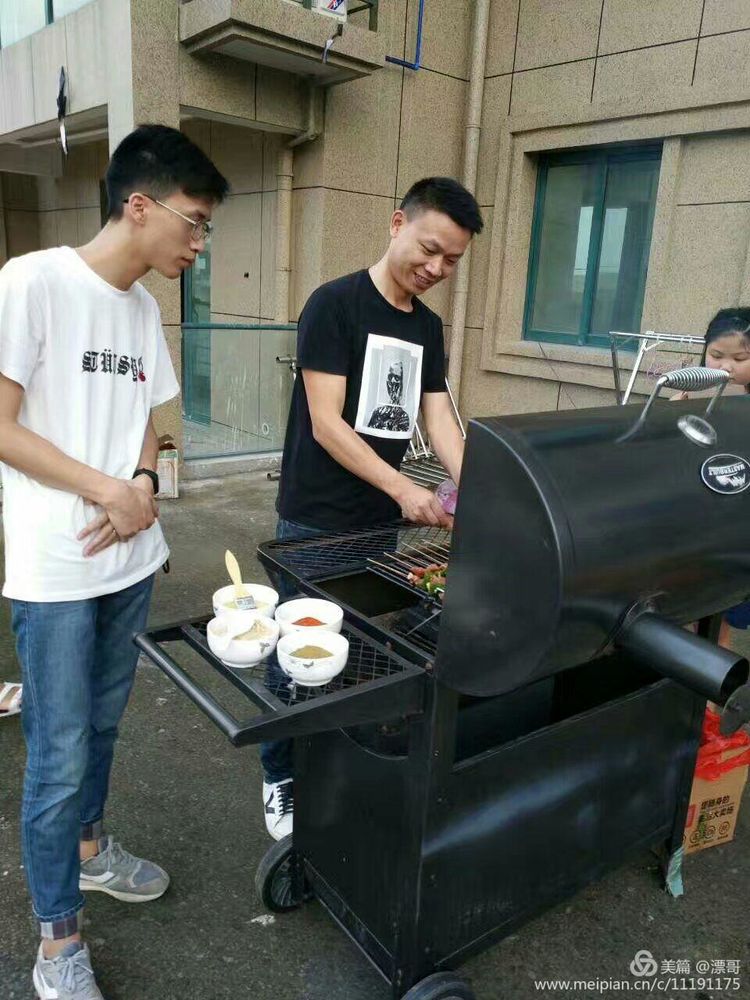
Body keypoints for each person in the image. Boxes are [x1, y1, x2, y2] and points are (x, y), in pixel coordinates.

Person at [0, 124, 228, 1000]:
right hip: (57, 571)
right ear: (140, 205)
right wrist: (107, 489)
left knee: (100, 728)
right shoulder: (33, 281)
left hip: (128, 563)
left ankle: (91, 850)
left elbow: (146, 419)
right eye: (195, 222)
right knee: (57, 753)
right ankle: (57, 941)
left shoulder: (139, 310)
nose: (199, 244)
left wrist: (142, 481)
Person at [261, 177, 483, 840]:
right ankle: (280, 775)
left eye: (451, 261)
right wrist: (405, 490)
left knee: (355, 644)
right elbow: (326, 423)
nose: (437, 268)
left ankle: (334, 768)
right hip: (316, 516)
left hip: (378, 521)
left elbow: (439, 421)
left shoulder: (427, 327)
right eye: (430, 249)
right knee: (299, 646)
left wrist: (480, 492)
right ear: (396, 224)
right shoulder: (334, 304)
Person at [674, 308, 750, 648]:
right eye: (716, 355)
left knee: (722, 614)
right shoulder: (720, 398)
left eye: (740, 358)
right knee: (708, 613)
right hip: (723, 529)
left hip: (740, 535)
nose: (726, 367)